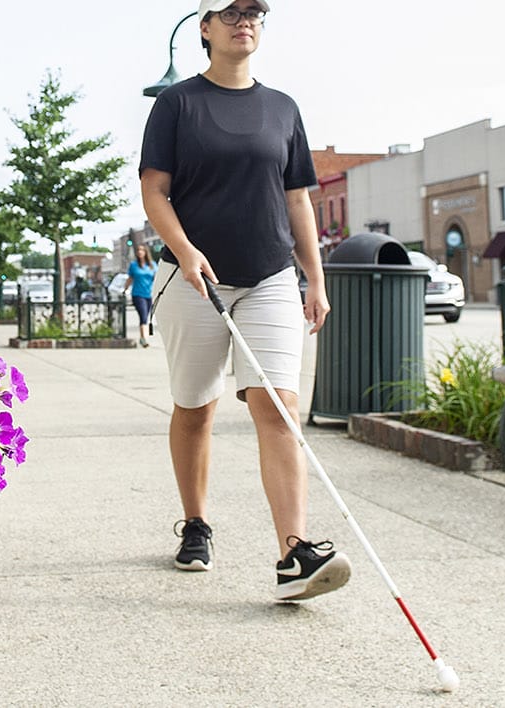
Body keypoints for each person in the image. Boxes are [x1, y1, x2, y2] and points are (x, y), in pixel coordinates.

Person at [138, 0, 349, 602]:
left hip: (269, 278)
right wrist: (184, 252)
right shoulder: (177, 104)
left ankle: (294, 554)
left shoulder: (283, 108)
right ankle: (197, 523)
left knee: (279, 407)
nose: (243, 19)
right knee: (195, 406)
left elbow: (299, 200)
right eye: (229, 11)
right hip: (193, 280)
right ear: (205, 28)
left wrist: (316, 278)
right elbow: (155, 191)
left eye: (254, 10)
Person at [126, 244, 156, 347]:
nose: (140, 252)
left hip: (149, 294)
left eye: (142, 250)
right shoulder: (134, 265)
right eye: (138, 250)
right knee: (143, 315)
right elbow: (130, 279)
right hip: (138, 294)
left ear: (146, 252)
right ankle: (144, 339)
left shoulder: (152, 265)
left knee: (146, 317)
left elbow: (156, 279)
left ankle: (143, 338)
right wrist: (125, 289)